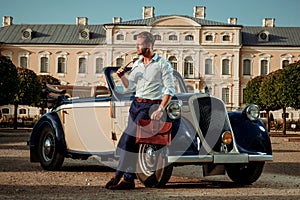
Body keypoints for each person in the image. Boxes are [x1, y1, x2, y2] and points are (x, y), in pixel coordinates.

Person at [105, 31, 175, 190]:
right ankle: (128, 180)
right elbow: (130, 86)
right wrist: (122, 76)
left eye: (139, 44)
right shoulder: (136, 64)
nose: (136, 47)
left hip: (150, 107)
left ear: (149, 45)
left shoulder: (162, 64)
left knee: (128, 138)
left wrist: (160, 108)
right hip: (136, 105)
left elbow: (170, 90)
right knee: (133, 142)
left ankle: (117, 175)